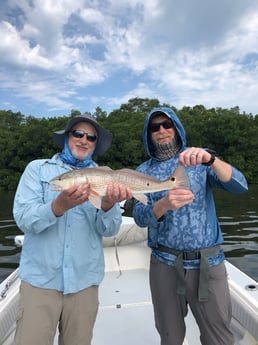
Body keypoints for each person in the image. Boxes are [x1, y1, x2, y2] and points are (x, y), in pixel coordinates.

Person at [13, 113, 132, 345]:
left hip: (84, 283)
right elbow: (24, 219)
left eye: (91, 137)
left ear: (95, 144)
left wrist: (108, 205)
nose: (83, 139)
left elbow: (109, 230)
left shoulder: (107, 177)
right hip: (40, 281)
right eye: (78, 133)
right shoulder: (37, 170)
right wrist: (58, 206)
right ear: (67, 137)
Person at [132, 107, 248, 345]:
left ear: (176, 127)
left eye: (167, 124)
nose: (162, 130)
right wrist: (163, 204)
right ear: (148, 133)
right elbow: (140, 218)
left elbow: (240, 186)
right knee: (170, 335)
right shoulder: (142, 172)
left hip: (208, 264)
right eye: (155, 127)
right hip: (164, 264)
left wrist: (211, 159)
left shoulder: (199, 160)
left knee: (219, 338)